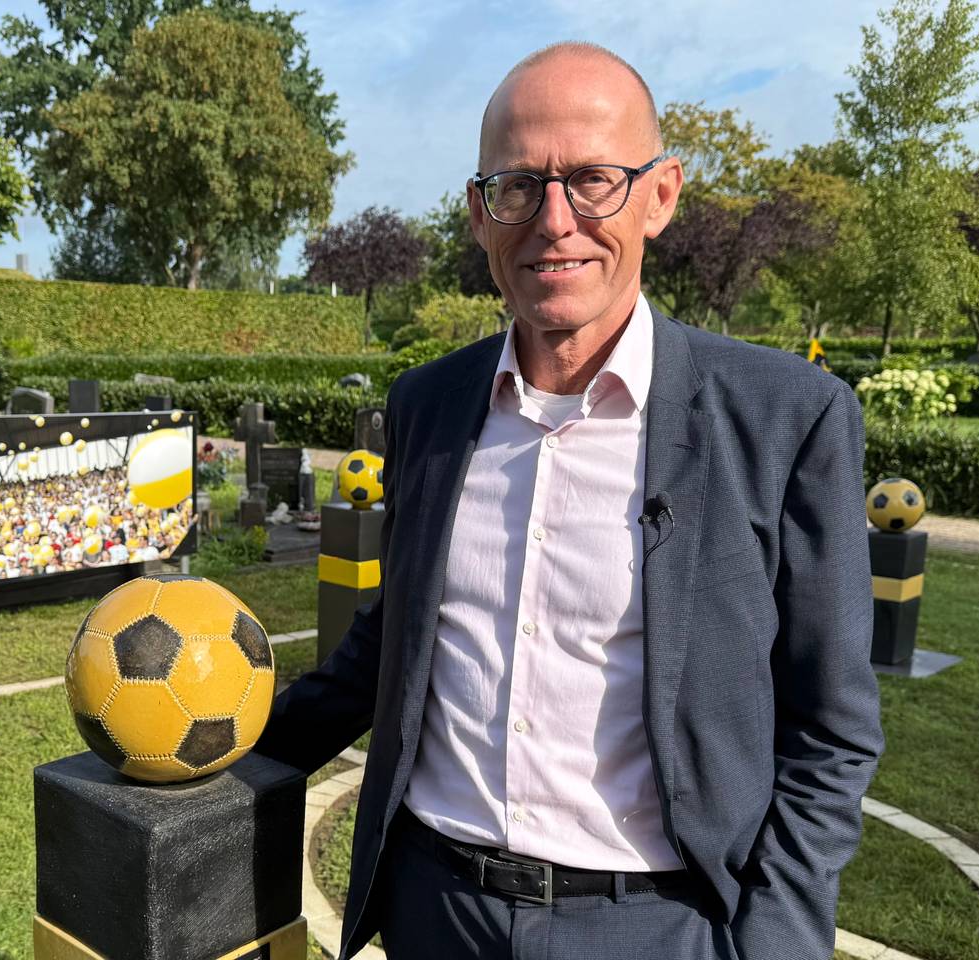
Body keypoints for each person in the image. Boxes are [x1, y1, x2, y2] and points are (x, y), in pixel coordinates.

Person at [254, 42, 882, 960]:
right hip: (436, 910)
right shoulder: (427, 405)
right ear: (479, 213)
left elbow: (830, 727)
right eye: (517, 186)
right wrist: (222, 754)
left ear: (661, 195)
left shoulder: (786, 417)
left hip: (661, 928)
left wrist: (777, 939)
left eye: (594, 179)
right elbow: (398, 639)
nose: (555, 220)